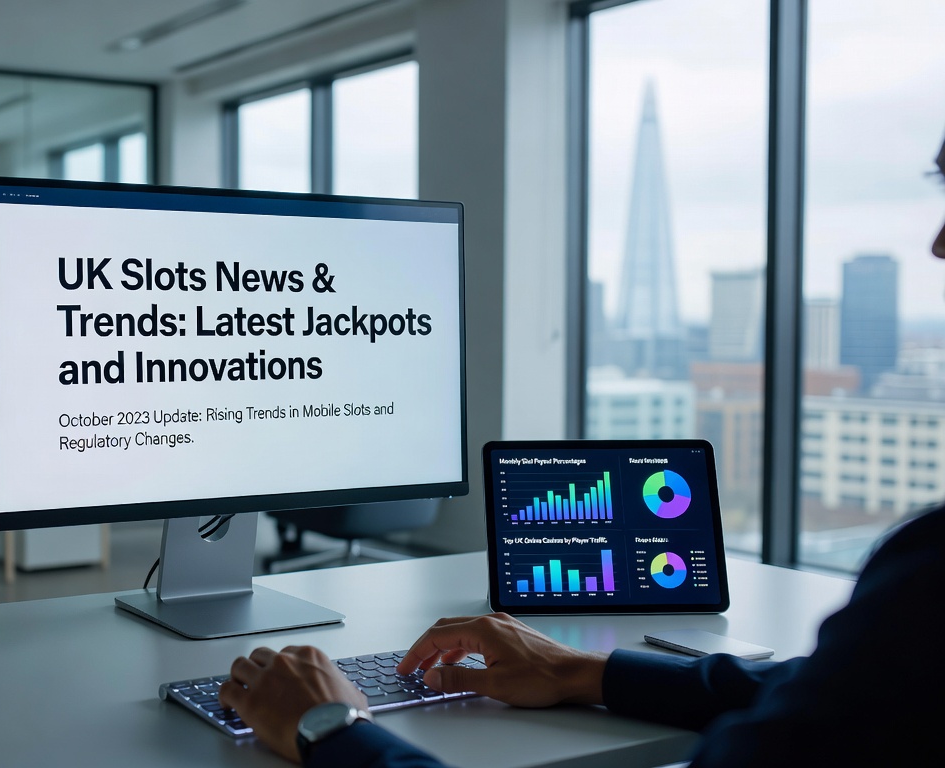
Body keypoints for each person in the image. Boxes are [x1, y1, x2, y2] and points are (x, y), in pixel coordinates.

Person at [217, 136, 945, 766]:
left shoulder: (930, 574)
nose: (937, 244)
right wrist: (586, 672)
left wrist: (332, 728)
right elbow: (835, 693)